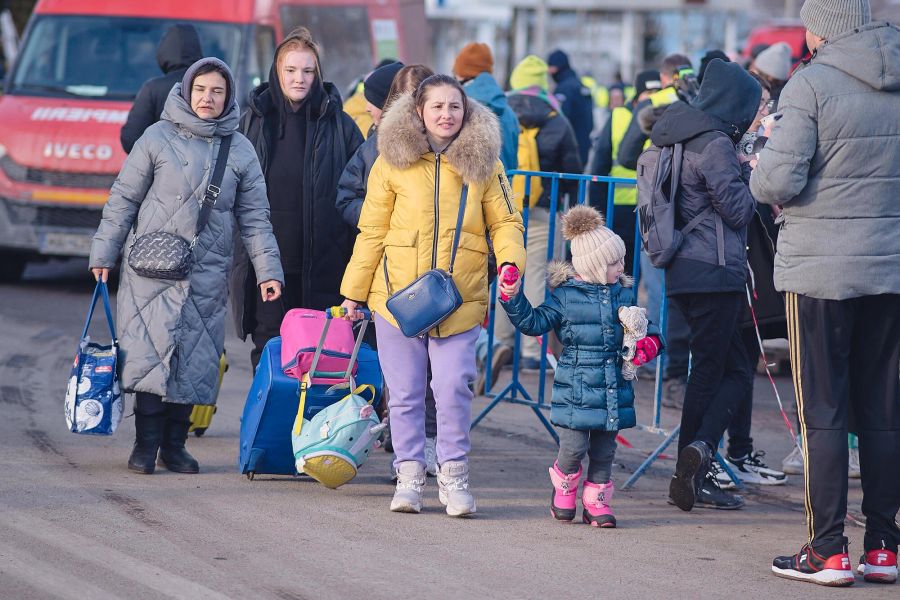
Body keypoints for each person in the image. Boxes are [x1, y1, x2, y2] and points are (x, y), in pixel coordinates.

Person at [750, 0, 900, 586]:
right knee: (884, 411)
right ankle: (884, 546)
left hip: (820, 271)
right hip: (889, 269)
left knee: (825, 412)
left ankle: (828, 548)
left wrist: (764, 157)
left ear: (826, 27)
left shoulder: (811, 84)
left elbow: (775, 180)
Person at [339, 74, 526, 516]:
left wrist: (512, 262)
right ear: (419, 111)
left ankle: (454, 475)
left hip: (461, 297)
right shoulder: (391, 162)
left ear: (466, 112)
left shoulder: (487, 162)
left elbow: (506, 221)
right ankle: (408, 475)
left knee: (453, 386)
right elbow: (372, 232)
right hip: (396, 298)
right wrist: (353, 292)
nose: (446, 114)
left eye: (454, 107)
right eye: (437, 106)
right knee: (402, 393)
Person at [89, 57, 283, 475]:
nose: (207, 98)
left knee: (194, 358)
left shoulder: (240, 149)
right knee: (149, 353)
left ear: (228, 95)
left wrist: (268, 271)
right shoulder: (156, 138)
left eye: (217, 91)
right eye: (201, 90)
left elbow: (255, 218)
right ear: (187, 90)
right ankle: (145, 444)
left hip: (206, 272)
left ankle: (175, 445)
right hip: (150, 268)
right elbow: (123, 198)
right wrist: (103, 254)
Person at [501, 205, 661, 528]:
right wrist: (512, 297)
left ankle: (596, 501)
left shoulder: (622, 295)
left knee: (604, 451)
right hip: (575, 390)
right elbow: (533, 322)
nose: (621, 266)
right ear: (595, 265)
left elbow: (647, 328)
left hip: (612, 389)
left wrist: (648, 345)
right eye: (614, 262)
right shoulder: (565, 297)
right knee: (574, 447)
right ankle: (564, 485)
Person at [648, 58, 761, 512]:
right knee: (728, 369)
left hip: (679, 268)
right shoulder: (714, 142)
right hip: (715, 268)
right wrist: (751, 173)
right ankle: (697, 455)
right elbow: (737, 210)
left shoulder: (669, 132)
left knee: (714, 366)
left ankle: (691, 468)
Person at [232, 27, 364, 370]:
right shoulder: (254, 120)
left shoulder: (341, 125)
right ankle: (276, 424)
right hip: (268, 264)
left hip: (327, 265)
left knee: (323, 358)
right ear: (277, 71)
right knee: (271, 352)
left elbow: (362, 191)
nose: (299, 79)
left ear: (317, 73)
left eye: (308, 71)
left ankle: (314, 425)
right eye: (291, 70)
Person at [334, 63, 439, 476]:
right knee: (404, 372)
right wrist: (392, 219)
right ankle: (407, 448)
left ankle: (428, 445)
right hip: (391, 273)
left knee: (438, 374)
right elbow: (348, 200)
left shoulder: (456, 146)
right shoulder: (376, 148)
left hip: (442, 280)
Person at [489, 56, 581, 376]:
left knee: (505, 271)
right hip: (542, 207)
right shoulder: (555, 118)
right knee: (535, 277)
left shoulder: (499, 113)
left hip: (502, 207)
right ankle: (532, 350)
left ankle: (499, 343)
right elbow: (572, 170)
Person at [588, 70, 662, 270]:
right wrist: (596, 214)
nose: (653, 100)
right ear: (637, 97)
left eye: (658, 93)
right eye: (649, 94)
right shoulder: (619, 115)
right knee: (621, 272)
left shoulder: (665, 118)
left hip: (653, 210)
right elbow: (600, 166)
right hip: (620, 209)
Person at [335, 60, 409, 228]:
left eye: (372, 101)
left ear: (388, 103)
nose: (367, 108)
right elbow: (348, 196)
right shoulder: (371, 145)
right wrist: (378, 217)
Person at [120, 24, 203, 153]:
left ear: (164, 52)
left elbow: (131, 138)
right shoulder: (210, 87)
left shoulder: (153, 89)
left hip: (160, 170)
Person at [453, 42, 519, 171]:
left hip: (467, 187)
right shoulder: (508, 111)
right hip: (503, 186)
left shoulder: (457, 106)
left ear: (461, 72)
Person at [547, 49, 594, 164]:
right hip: (583, 146)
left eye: (551, 67)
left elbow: (560, 120)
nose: (549, 71)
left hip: (568, 151)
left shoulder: (564, 88)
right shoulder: (581, 85)